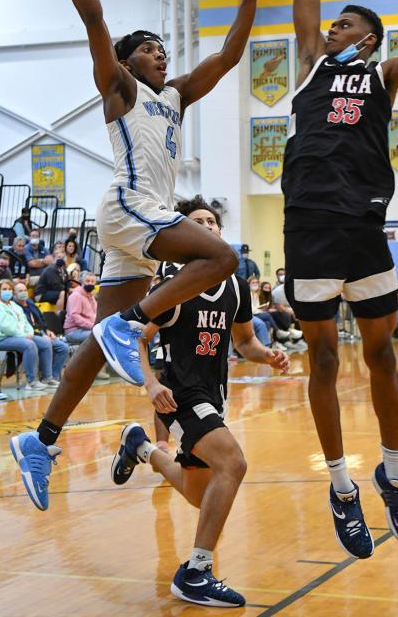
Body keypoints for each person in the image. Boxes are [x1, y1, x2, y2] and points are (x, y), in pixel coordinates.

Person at [9, 0, 283, 512]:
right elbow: (94, 19)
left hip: (137, 220)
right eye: (151, 48)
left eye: (164, 48)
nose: (162, 53)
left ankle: (40, 437)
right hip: (132, 207)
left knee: (92, 348)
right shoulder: (121, 87)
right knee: (220, 256)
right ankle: (132, 323)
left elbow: (228, 58)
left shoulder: (177, 96)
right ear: (129, 61)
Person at [281, 0, 398, 558]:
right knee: (320, 356)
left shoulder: (385, 75)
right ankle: (340, 486)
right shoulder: (312, 64)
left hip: (362, 223)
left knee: (378, 356)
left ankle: (393, 472)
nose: (333, 29)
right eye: (333, 24)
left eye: (345, 25)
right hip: (307, 223)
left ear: (368, 38)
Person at [109, 195, 289, 607]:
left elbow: (244, 341)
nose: (208, 226)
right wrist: (150, 384)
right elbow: (135, 336)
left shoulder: (236, 285)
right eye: (198, 222)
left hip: (213, 394)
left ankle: (139, 445)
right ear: (186, 235)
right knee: (233, 462)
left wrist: (267, 356)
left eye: (213, 221)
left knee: (198, 494)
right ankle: (196, 571)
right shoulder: (173, 283)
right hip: (179, 393)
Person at [0, 280, 49, 391]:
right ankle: (31, 382)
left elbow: (25, 322)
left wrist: (29, 333)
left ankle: (47, 377)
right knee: (29, 345)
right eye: (4, 289)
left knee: (45, 343)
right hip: (0, 338)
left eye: (9, 289)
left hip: (17, 336)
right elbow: (6, 327)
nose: (7, 291)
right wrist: (24, 335)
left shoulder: (14, 305)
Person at [13, 282, 68, 387]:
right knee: (46, 343)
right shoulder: (14, 306)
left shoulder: (30, 303)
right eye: (20, 291)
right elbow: (21, 326)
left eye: (25, 290)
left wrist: (47, 330)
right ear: (14, 294)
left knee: (63, 347)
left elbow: (41, 318)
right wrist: (40, 334)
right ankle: (47, 377)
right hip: (29, 334)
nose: (24, 293)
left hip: (41, 332)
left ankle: (53, 376)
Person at [63, 271, 97, 345]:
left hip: (87, 329)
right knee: (98, 336)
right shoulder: (76, 296)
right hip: (74, 331)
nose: (90, 283)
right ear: (82, 282)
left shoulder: (91, 296)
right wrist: (92, 326)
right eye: (88, 281)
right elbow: (75, 316)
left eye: (92, 281)